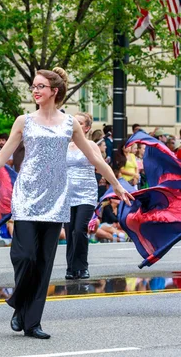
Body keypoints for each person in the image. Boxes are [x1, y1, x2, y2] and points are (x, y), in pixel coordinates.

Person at [0, 67, 132, 339]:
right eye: (34, 86)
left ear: (54, 91)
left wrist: (117, 185)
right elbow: (1, 158)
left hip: (57, 196)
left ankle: (32, 322)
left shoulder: (69, 124)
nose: (35, 90)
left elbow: (95, 160)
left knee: (44, 262)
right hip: (26, 195)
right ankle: (19, 304)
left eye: (41, 86)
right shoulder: (23, 121)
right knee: (24, 255)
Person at [65, 112, 98, 280]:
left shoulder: (90, 145)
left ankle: (82, 266)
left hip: (86, 193)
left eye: (78, 122)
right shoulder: (65, 145)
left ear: (86, 128)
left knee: (79, 230)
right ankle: (71, 267)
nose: (73, 125)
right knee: (69, 230)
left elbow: (100, 166)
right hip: (67, 193)